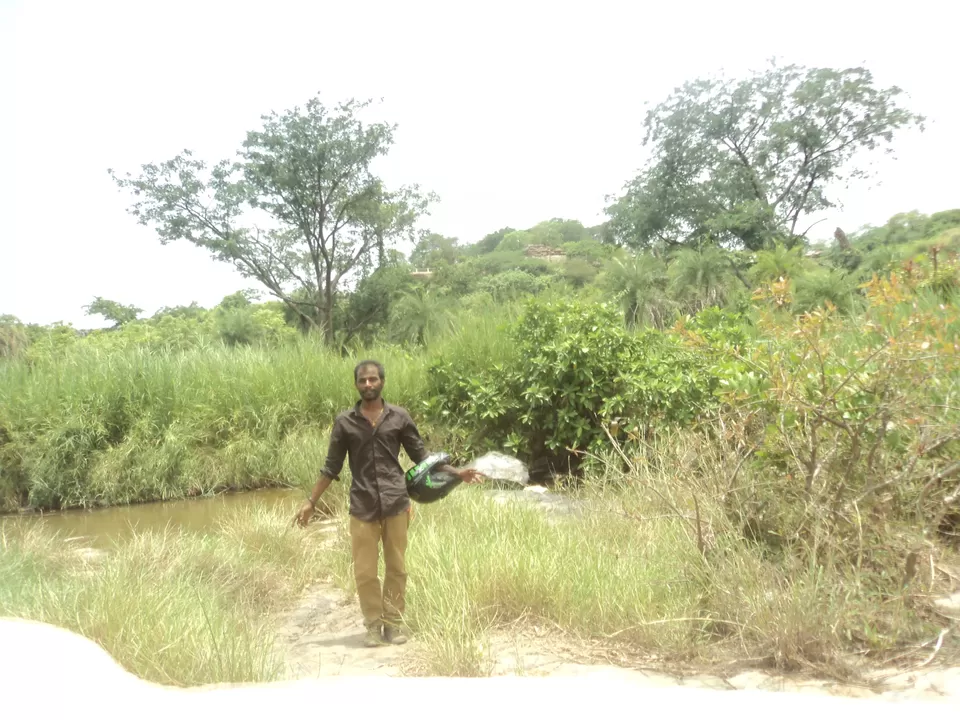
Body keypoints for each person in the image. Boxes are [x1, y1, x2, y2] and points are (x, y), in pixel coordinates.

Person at [294, 359, 484, 647]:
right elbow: (331, 467)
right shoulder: (345, 422)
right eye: (362, 381)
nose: (368, 384)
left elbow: (422, 459)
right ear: (356, 385)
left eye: (373, 379)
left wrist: (458, 473)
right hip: (362, 506)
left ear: (382, 381)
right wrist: (311, 501)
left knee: (397, 568)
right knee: (365, 571)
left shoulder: (399, 417)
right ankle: (373, 626)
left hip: (396, 502)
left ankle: (393, 625)